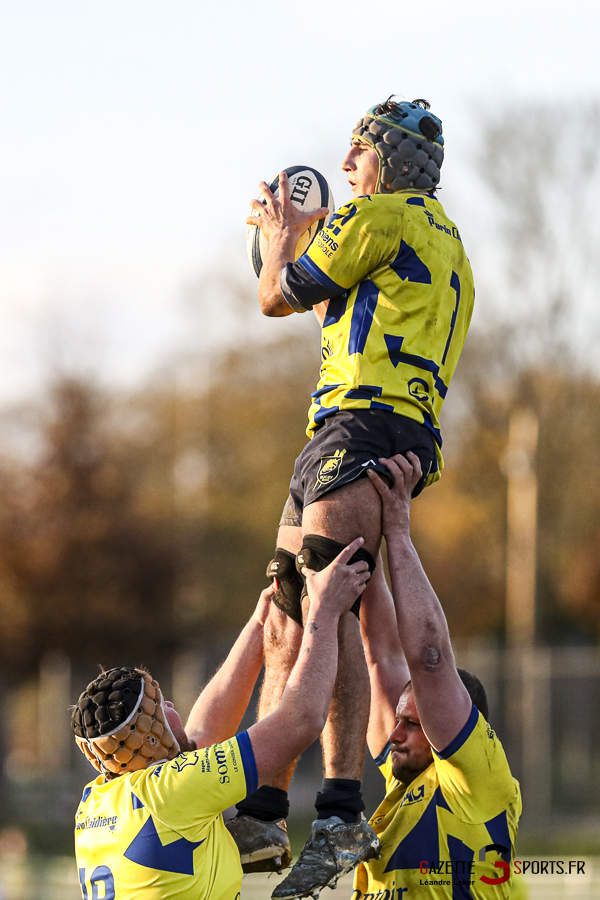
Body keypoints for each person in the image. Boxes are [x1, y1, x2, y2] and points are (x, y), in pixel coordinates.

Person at [233, 96, 476, 888]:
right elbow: (344, 316)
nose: (344, 167)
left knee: (326, 601)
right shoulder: (440, 244)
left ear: (391, 162)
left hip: (367, 429)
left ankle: (337, 813)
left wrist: (277, 243)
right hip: (346, 427)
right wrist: (300, 248)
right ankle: (266, 810)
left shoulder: (385, 214)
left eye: (357, 152)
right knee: (285, 607)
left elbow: (278, 296)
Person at [71, 539, 370, 900]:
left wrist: (259, 623)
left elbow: (203, 736)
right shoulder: (173, 793)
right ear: (150, 740)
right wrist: (323, 610)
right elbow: (301, 720)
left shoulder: (95, 801)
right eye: (162, 704)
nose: (172, 706)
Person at [345, 452, 521, 900]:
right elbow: (381, 655)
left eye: (413, 723)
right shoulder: (404, 779)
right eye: (402, 720)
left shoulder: (475, 780)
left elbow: (429, 660)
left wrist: (400, 532)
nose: (394, 733)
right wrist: (363, 531)